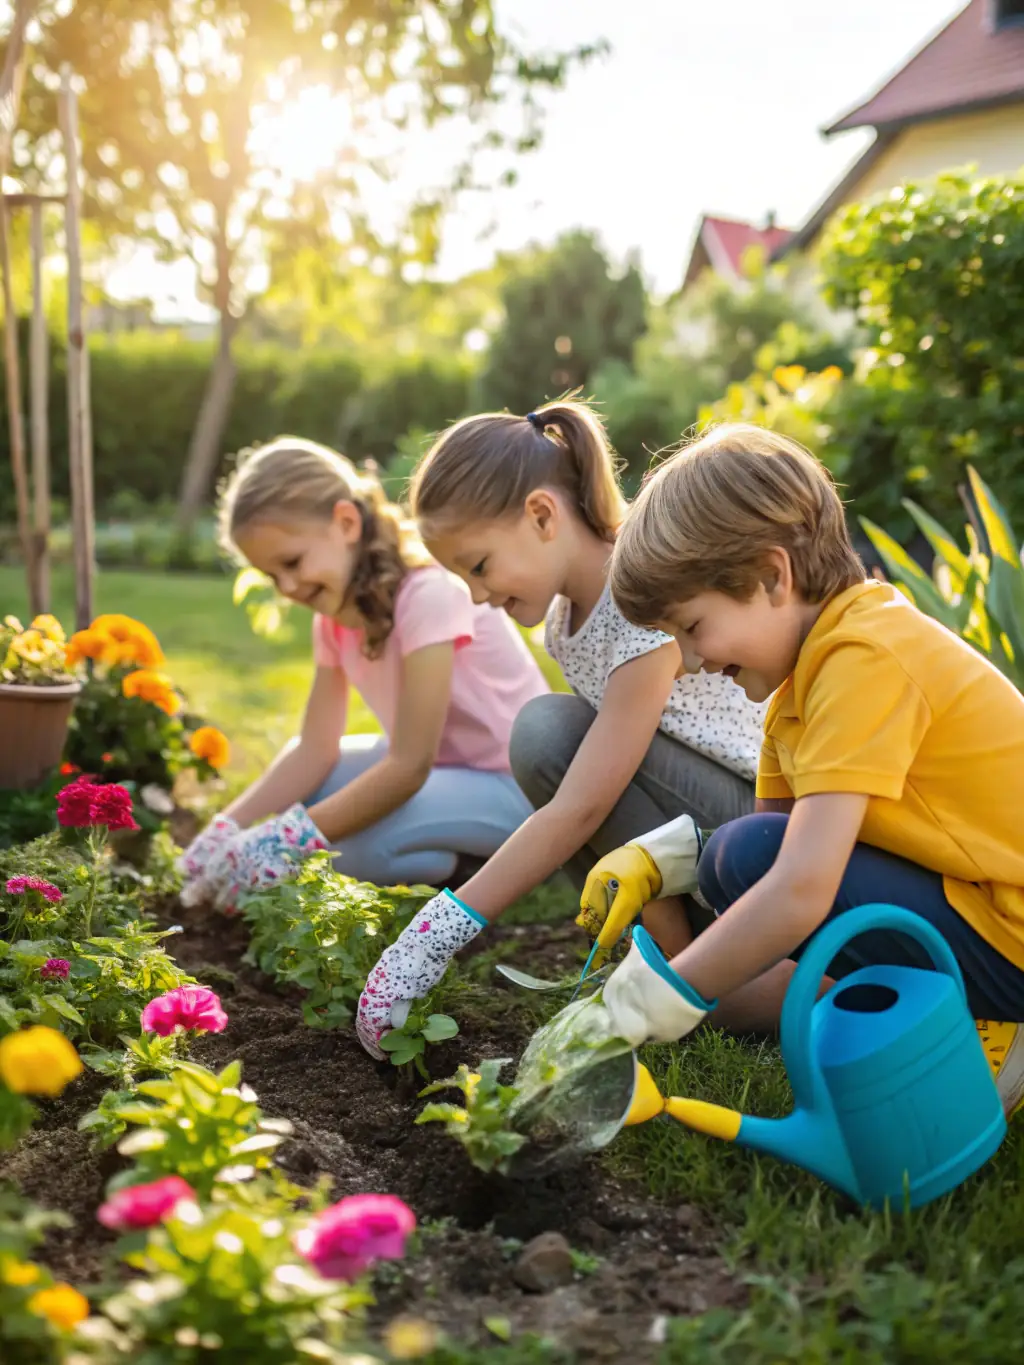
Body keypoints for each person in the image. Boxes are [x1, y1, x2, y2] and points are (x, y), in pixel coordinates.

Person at [581, 422, 1024, 1116]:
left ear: (771, 574)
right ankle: (955, 1008)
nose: (691, 661)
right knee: (738, 858)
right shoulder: (800, 690)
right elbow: (772, 843)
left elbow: (797, 889)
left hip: (1015, 930)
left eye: (693, 627)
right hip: (984, 907)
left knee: (753, 861)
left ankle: (989, 1021)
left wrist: (642, 1006)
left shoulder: (865, 658)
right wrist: (666, 859)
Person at [355, 400, 766, 1058]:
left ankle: (681, 968)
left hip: (760, 817)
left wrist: (437, 930)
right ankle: (660, 949)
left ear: (542, 515)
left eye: (480, 566)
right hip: (694, 828)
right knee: (550, 737)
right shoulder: (564, 619)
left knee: (552, 735)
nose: (477, 595)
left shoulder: (640, 597)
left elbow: (585, 805)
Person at [177, 437, 548, 908]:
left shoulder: (429, 594)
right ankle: (432, 840)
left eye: (292, 562)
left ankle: (456, 862)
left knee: (343, 849)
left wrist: (286, 837)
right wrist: (227, 826)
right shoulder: (333, 620)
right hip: (444, 771)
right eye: (272, 576)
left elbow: (410, 766)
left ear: (346, 522)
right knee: (319, 792)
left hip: (512, 788)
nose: (288, 587)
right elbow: (314, 748)